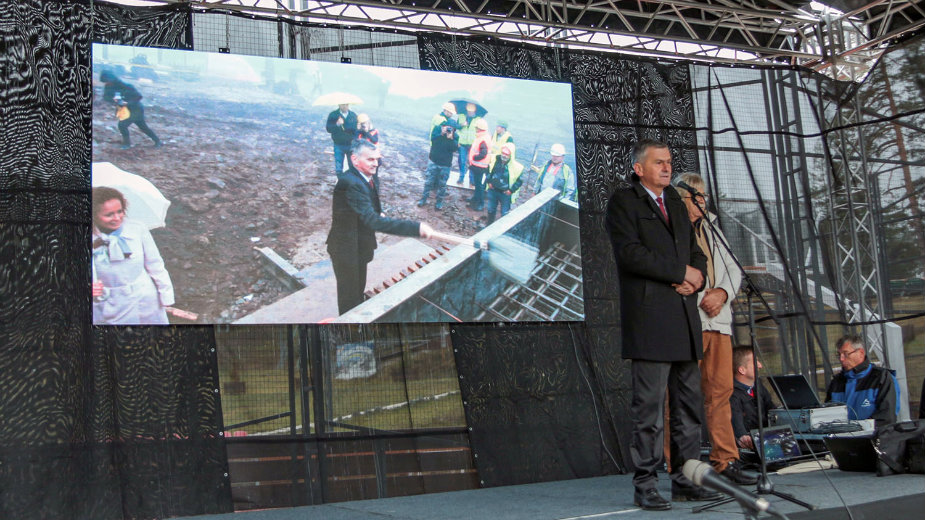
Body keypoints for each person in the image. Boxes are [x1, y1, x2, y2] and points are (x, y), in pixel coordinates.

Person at [605, 139, 714, 511]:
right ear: (639, 168)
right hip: (650, 321)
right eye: (658, 163)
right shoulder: (625, 202)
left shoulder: (677, 206)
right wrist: (678, 272)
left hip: (684, 319)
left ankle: (686, 480)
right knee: (649, 410)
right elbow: (630, 254)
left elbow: (694, 251)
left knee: (688, 408)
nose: (667, 168)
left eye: (669, 162)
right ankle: (646, 484)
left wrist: (696, 277)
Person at [675, 173, 755, 485]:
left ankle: (727, 462)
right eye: (692, 196)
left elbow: (733, 269)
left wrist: (721, 294)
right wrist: (702, 298)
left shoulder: (713, 228)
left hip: (719, 322)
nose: (698, 202)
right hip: (688, 321)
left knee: (721, 394)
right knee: (683, 397)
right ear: (680, 199)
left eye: (702, 196)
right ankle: (684, 468)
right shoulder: (671, 228)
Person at [327, 140, 434, 315]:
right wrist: (416, 228)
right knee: (348, 296)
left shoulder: (368, 175)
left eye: (377, 159)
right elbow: (373, 222)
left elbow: (367, 207)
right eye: (370, 159)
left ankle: (357, 313)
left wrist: (378, 211)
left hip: (359, 244)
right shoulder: (350, 183)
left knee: (358, 288)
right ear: (354, 160)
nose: (376, 163)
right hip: (345, 248)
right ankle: (348, 331)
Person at [91, 186, 174, 325]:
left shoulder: (137, 229)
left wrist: (166, 296)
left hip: (146, 297)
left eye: (120, 211)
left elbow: (155, 265)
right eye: (108, 215)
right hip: (111, 304)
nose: (117, 218)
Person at [825, 334, 900, 427]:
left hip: (873, 439)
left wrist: (857, 429)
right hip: (840, 439)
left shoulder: (882, 378)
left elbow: (887, 417)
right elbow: (825, 414)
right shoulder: (836, 382)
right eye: (839, 355)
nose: (841, 359)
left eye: (845, 354)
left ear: (861, 353)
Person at [100, 69, 161, 149]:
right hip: (125, 110)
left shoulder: (126, 86)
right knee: (143, 127)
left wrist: (127, 103)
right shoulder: (108, 87)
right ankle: (157, 141)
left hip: (136, 109)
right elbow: (106, 97)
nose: (107, 83)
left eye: (108, 81)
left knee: (122, 125)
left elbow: (138, 97)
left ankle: (126, 144)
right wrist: (113, 100)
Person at [730, 347, 773, 451]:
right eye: (755, 362)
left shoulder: (758, 385)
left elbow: (771, 408)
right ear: (742, 370)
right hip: (750, 448)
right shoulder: (732, 394)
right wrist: (743, 436)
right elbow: (736, 420)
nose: (760, 365)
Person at [416, 119, 459, 210]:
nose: (449, 129)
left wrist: (450, 139)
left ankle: (439, 202)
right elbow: (433, 141)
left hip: (445, 164)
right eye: (447, 127)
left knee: (442, 185)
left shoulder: (455, 136)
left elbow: (454, 149)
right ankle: (423, 199)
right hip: (434, 161)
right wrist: (441, 134)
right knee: (428, 182)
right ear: (443, 126)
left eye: (452, 128)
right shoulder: (437, 130)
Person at [484, 142, 524, 224]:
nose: (504, 155)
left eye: (507, 154)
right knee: (491, 210)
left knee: (504, 213)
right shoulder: (494, 159)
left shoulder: (517, 167)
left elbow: (519, 181)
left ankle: (502, 231)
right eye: (503, 153)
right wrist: (489, 182)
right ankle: (488, 225)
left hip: (505, 193)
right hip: (493, 190)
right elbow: (487, 170)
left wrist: (511, 190)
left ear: (511, 155)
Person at [455, 102, 485, 186]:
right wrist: (462, 125)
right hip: (462, 143)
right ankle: (461, 177)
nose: (470, 112)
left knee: (472, 162)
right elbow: (456, 127)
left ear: (474, 111)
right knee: (462, 161)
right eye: (468, 111)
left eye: (471, 111)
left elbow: (480, 131)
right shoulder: (461, 116)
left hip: (473, 145)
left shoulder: (479, 119)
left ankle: (471, 180)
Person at [466, 119, 492, 211]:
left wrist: (474, 158)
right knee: (478, 184)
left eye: (476, 127)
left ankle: (480, 203)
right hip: (478, 166)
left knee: (479, 185)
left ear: (480, 128)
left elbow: (483, 153)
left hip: (480, 167)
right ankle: (475, 199)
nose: (475, 129)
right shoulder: (483, 137)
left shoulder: (483, 139)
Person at [325, 103, 358, 175]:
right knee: (339, 168)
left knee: (352, 166)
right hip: (338, 144)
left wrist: (354, 141)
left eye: (346, 104)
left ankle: (351, 183)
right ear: (339, 105)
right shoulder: (333, 115)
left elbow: (356, 131)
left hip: (350, 144)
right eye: (343, 105)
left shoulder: (353, 115)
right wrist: (337, 124)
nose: (345, 106)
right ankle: (340, 182)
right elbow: (328, 129)